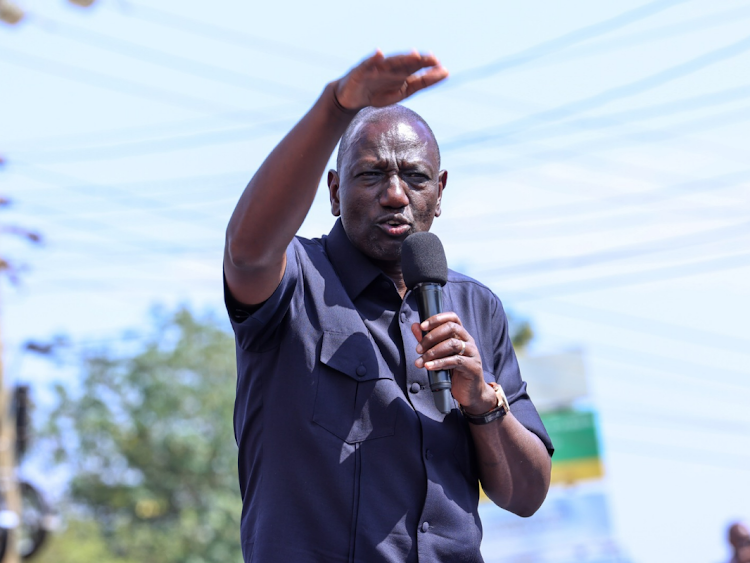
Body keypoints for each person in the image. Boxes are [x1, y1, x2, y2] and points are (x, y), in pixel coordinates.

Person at [223, 50, 553, 563]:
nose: (395, 195)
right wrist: (335, 108)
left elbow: (526, 494)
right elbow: (247, 252)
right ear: (334, 191)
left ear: (439, 193)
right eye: (372, 175)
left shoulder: (475, 307)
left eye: (416, 178)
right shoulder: (294, 282)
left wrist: (481, 403)